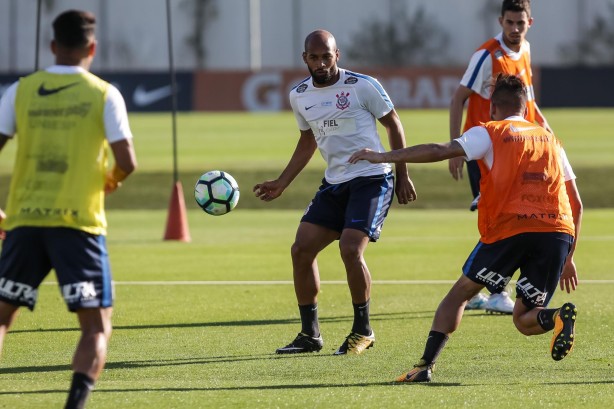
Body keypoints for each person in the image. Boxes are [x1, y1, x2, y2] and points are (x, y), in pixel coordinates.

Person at [349, 73, 582, 382]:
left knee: (459, 295)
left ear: (493, 108)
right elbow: (576, 202)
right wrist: (569, 256)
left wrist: (382, 156)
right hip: (557, 234)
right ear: (525, 109)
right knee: (525, 319)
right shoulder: (551, 140)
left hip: (508, 230)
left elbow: (438, 149)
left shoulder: (490, 131)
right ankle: (554, 317)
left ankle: (423, 367)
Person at [0, 10, 137, 409]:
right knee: (96, 326)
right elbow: (127, 160)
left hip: (24, 221)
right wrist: (109, 182)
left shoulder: (21, 90)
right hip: (78, 225)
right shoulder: (103, 93)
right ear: (92, 48)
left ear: (52, 46)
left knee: (3, 318)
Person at [253, 30, 416, 355]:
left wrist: (402, 175)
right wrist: (282, 183)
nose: (321, 63)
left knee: (350, 249)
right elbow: (307, 140)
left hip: (372, 178)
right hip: (335, 182)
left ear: (337, 55)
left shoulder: (362, 86)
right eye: (314, 57)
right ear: (305, 59)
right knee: (301, 250)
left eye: (327, 56)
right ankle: (310, 335)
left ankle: (363, 330)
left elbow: (394, 124)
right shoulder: (299, 95)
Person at [449, 0, 552, 314]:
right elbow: (458, 99)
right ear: (501, 21)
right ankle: (495, 292)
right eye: (510, 23)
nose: (515, 29)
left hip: (518, 150)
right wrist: (455, 147)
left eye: (520, 23)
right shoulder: (486, 55)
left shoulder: (526, 51)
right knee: (502, 218)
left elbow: (528, 101)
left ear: (529, 22)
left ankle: (481, 287)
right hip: (486, 150)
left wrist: (545, 128)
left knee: (502, 217)